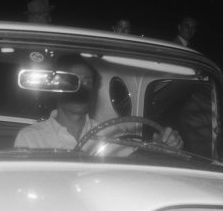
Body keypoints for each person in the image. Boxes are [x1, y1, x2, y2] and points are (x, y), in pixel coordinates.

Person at [14, 54, 183, 153]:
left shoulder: (112, 134)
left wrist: (165, 147)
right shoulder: (31, 138)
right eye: (74, 82)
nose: (82, 89)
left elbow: (140, 167)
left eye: (87, 82)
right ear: (56, 88)